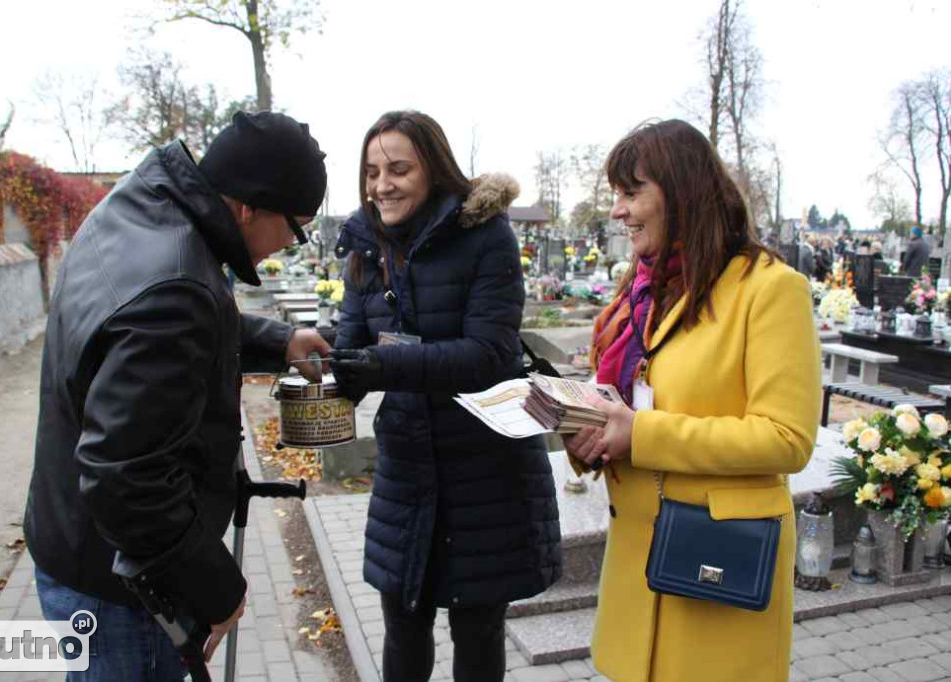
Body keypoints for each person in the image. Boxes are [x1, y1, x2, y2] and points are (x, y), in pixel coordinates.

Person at [24, 111, 332, 680]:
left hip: (70, 542)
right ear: (249, 207)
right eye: (297, 225)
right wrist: (215, 587)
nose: (293, 243)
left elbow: (156, 325)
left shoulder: (143, 209)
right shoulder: (176, 287)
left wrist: (281, 339)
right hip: (119, 586)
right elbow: (125, 476)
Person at [572, 120, 820, 682]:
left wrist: (641, 432)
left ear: (681, 194)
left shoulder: (770, 289)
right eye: (617, 194)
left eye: (632, 192)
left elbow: (787, 437)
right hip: (638, 563)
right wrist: (586, 430)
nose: (618, 210)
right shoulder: (645, 290)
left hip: (718, 568)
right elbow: (630, 397)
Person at [329, 110, 561, 682]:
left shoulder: (485, 236)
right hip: (407, 470)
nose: (382, 185)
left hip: (485, 468)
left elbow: (488, 352)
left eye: (399, 169)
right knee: (402, 624)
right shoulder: (364, 247)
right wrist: (321, 374)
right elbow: (349, 347)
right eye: (371, 171)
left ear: (433, 169)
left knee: (477, 630)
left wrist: (384, 364)